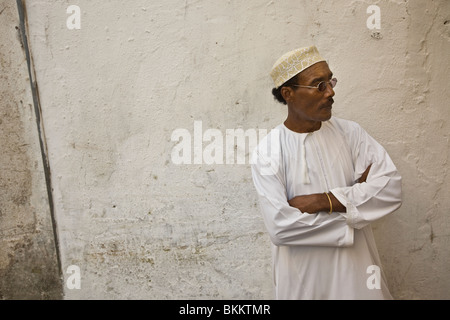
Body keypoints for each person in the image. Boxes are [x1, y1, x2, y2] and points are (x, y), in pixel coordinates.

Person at [251, 45, 402, 300]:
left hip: (358, 273)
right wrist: (355, 210)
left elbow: (391, 189)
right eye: (319, 85)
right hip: (303, 280)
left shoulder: (351, 134)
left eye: (330, 81)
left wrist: (326, 201)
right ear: (289, 93)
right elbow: (281, 228)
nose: (331, 92)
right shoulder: (268, 152)